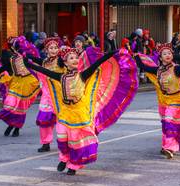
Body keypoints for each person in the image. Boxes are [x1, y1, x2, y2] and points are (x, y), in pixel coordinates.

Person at [24, 47, 138, 175]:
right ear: (65, 63)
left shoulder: (83, 75)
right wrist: (27, 63)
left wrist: (111, 53)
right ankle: (64, 157)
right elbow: (44, 70)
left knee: (76, 141)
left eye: (76, 58)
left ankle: (73, 165)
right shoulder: (60, 76)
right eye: (71, 58)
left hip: (80, 113)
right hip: (64, 112)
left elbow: (98, 63)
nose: (75, 60)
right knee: (61, 138)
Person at [0, 36, 41, 137]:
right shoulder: (11, 59)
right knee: (10, 104)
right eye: (13, 45)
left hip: (28, 83)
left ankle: (16, 128)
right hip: (15, 82)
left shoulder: (28, 57)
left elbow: (39, 62)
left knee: (22, 107)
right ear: (12, 48)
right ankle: (10, 124)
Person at [25, 37, 65, 152]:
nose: (53, 50)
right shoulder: (45, 61)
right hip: (47, 95)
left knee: (62, 120)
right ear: (46, 50)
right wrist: (23, 54)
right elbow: (34, 59)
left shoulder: (60, 61)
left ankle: (64, 142)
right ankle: (46, 143)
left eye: (55, 48)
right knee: (44, 118)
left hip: (59, 95)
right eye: (50, 48)